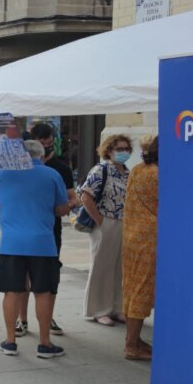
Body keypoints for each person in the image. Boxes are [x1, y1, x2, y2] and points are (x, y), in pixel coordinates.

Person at [0, 140, 73, 358]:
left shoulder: (4, 174)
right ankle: (44, 343)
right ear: (41, 155)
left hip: (11, 243)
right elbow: (61, 209)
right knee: (43, 291)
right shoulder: (52, 175)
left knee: (11, 291)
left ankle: (10, 341)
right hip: (43, 243)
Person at [14, 122, 78, 338]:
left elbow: (72, 198)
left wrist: (62, 207)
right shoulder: (18, 169)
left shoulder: (62, 169)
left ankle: (46, 318)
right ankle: (21, 320)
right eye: (43, 143)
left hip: (50, 231)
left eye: (50, 143)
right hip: (24, 228)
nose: (47, 147)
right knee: (22, 278)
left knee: (48, 280)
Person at [79, 134, 133, 325]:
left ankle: (117, 307)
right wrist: (100, 220)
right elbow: (86, 196)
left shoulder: (128, 173)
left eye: (126, 148)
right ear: (109, 151)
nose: (124, 152)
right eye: (119, 149)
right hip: (106, 221)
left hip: (124, 222)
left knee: (120, 268)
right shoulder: (101, 170)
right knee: (101, 266)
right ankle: (98, 309)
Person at [121, 136, 158, 361]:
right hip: (151, 238)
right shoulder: (158, 174)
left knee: (133, 287)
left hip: (133, 236)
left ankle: (133, 340)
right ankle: (132, 345)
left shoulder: (137, 169)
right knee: (142, 291)